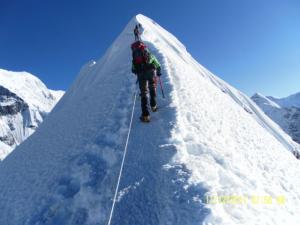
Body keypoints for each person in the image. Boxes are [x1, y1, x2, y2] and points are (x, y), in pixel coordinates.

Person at [131, 41, 161, 122]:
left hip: (141, 74)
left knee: (144, 92)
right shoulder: (148, 53)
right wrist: (158, 71)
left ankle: (145, 115)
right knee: (152, 87)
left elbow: (133, 69)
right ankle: (153, 106)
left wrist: (138, 70)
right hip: (150, 71)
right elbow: (157, 64)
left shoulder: (134, 57)